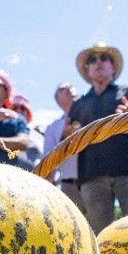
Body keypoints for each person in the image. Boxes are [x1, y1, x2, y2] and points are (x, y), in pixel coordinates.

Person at [66, 43, 128, 233]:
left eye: (104, 58)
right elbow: (68, 137)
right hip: (91, 177)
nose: (98, 62)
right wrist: (70, 133)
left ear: (113, 67)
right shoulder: (79, 103)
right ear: (88, 69)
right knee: (100, 237)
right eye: (93, 60)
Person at [42, 83, 86, 212]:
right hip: (69, 186)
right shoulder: (53, 128)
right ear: (57, 100)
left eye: (70, 86)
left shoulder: (90, 116)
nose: (67, 88)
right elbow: (49, 161)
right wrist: (65, 138)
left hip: (96, 180)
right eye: (61, 89)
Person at [8, 94, 46, 171]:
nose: (19, 111)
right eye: (15, 108)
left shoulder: (39, 136)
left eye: (22, 108)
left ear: (28, 112)